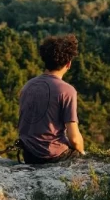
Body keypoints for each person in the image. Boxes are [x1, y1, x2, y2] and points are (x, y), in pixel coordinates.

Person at [16, 34, 85, 165]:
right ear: (68, 64)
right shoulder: (67, 90)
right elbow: (75, 139)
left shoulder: (28, 86)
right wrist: (82, 153)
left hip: (28, 155)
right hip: (52, 156)